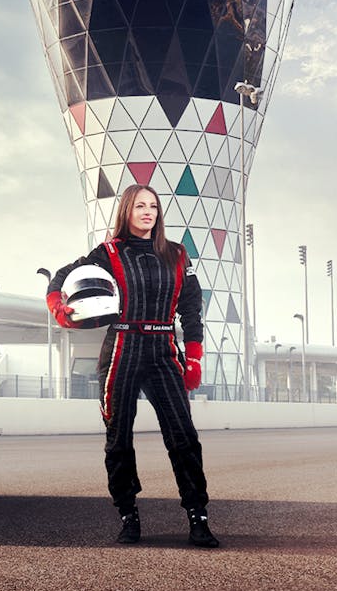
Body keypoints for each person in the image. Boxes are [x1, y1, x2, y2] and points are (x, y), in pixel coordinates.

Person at [46, 184, 219, 548]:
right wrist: (58, 308)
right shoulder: (108, 252)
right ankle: (128, 516)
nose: (147, 212)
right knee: (118, 438)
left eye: (153, 206)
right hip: (121, 348)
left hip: (163, 351)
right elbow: (62, 276)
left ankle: (198, 517)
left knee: (184, 437)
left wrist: (194, 356)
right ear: (127, 210)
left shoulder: (176, 254)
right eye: (140, 206)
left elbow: (191, 308)